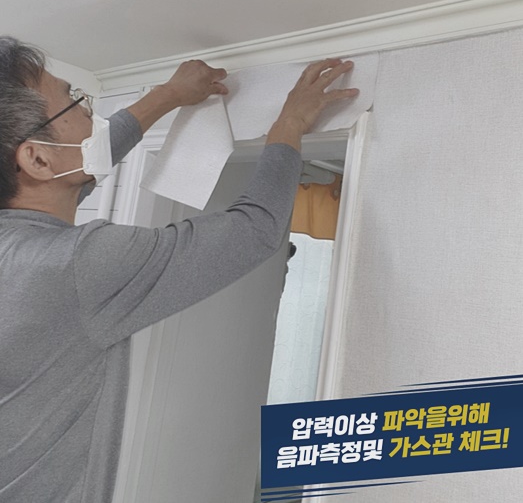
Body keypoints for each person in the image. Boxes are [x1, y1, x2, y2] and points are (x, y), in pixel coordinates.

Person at [0, 36, 358, 502]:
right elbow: (255, 230)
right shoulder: (77, 264)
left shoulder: (21, 240)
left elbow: (85, 161)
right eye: (75, 101)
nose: (91, 112)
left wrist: (169, 95)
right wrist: (290, 124)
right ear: (37, 158)